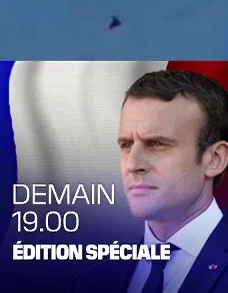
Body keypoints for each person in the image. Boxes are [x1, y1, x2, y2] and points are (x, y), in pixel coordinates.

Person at [71, 70, 228, 292]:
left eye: (156, 144)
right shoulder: (88, 284)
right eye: (126, 145)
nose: (133, 164)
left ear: (215, 158)